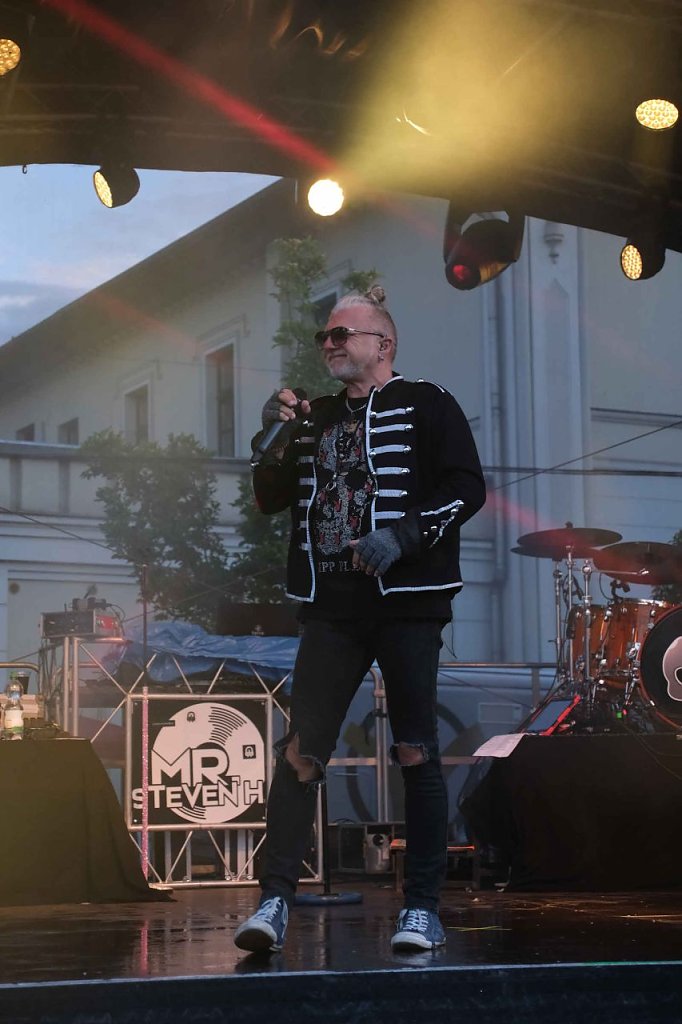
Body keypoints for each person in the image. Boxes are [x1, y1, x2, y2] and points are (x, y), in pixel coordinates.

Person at [234, 286, 485, 954]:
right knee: (300, 752)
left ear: (383, 343)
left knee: (415, 749)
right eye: (325, 335)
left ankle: (422, 908)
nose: (329, 343)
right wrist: (270, 436)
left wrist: (403, 536)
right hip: (332, 607)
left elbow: (467, 487)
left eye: (342, 333)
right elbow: (267, 498)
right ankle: (273, 902)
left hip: (409, 604)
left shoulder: (428, 402)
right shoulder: (311, 416)